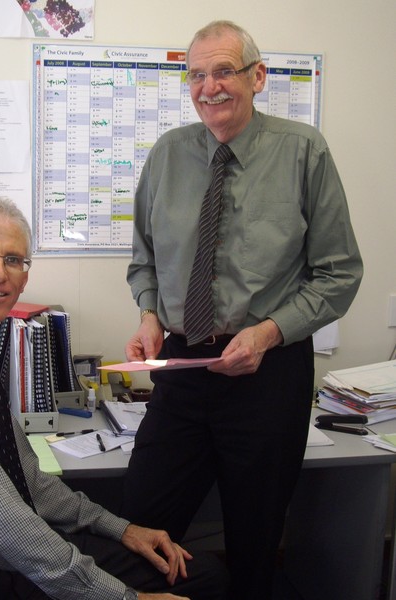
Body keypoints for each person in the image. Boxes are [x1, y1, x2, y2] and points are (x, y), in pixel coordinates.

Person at [0, 197, 228, 600]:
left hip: (6, 554)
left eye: (14, 261)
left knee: (200, 571)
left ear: (24, 279)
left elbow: (29, 482)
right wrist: (121, 598)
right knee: (205, 582)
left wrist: (121, 529)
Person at [121, 20, 363, 600]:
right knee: (137, 525)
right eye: (197, 75)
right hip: (183, 368)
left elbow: (340, 274)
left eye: (224, 70)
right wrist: (150, 314)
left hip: (268, 373)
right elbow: (143, 261)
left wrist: (266, 334)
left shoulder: (304, 151)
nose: (210, 87)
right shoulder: (168, 155)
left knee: (256, 544)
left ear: (257, 77)